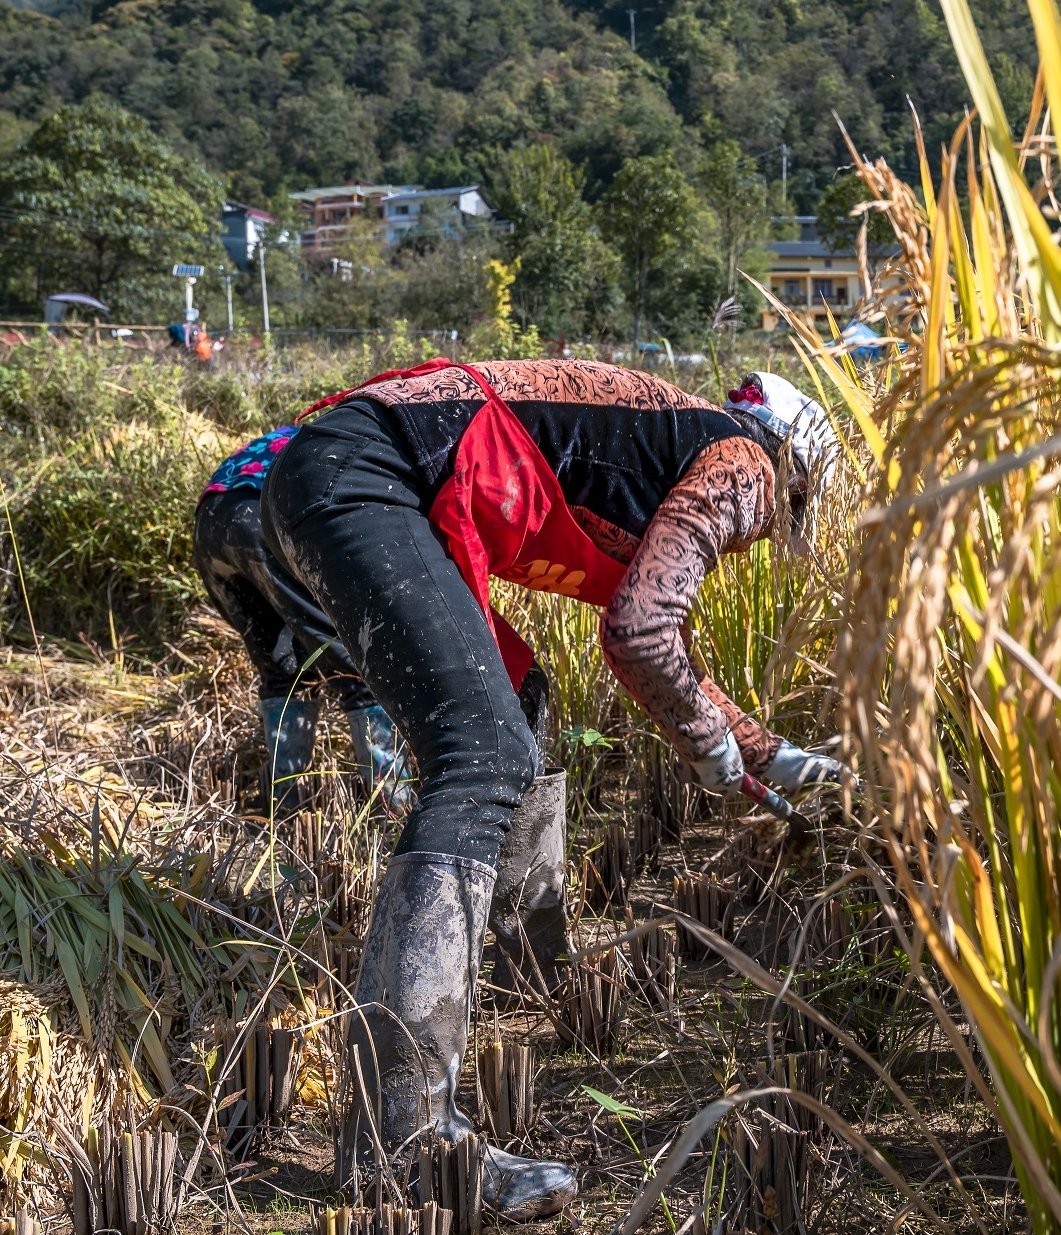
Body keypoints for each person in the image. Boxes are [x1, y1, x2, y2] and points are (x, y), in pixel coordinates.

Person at [259, 358, 846, 1220]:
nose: (764, 532)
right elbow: (643, 634)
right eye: (788, 516)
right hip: (366, 477)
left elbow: (652, 647)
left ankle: (530, 968)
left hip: (344, 470)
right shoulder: (747, 465)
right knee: (483, 756)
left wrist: (770, 752)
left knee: (520, 706)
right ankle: (403, 1140)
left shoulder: (694, 444)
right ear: (797, 469)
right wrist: (705, 740)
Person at [194, 428, 410, 812]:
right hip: (261, 514)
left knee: (283, 669)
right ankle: (396, 809)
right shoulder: (355, 440)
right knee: (353, 664)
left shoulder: (297, 434)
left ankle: (283, 812)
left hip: (210, 523)